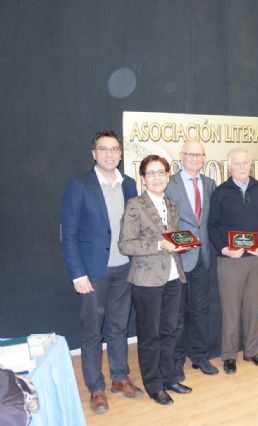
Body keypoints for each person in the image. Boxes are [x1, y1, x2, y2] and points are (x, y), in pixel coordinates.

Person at [60, 129, 143, 414]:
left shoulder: (130, 185)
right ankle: (96, 387)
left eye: (115, 149)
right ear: (94, 153)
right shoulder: (79, 186)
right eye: (104, 149)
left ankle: (119, 378)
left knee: (119, 327)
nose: (110, 153)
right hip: (93, 274)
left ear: (121, 154)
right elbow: (68, 234)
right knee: (92, 332)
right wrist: (77, 274)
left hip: (125, 270)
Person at [118, 155, 191, 406]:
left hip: (173, 276)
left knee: (170, 331)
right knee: (150, 336)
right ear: (143, 177)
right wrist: (158, 244)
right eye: (151, 173)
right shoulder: (135, 205)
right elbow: (125, 244)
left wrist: (181, 244)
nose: (157, 177)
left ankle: (169, 377)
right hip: (147, 280)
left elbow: (173, 237)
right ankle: (154, 385)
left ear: (168, 175)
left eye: (161, 172)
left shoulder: (171, 204)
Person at [208, 148, 258, 374]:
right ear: (229, 167)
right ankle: (228, 355)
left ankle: (252, 351)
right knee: (231, 310)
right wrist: (225, 249)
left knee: (254, 307)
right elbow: (212, 226)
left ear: (250, 165)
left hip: (256, 259)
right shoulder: (220, 193)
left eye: (245, 163)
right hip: (231, 261)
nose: (241, 167)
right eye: (236, 163)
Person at [165, 141, 218, 379]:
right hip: (178, 258)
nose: (195, 158)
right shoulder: (169, 183)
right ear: (181, 156)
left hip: (203, 258)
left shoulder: (210, 184)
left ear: (204, 158)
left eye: (199, 154)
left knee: (201, 310)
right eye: (190, 154)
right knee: (176, 314)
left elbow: (209, 222)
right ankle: (176, 363)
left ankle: (200, 356)